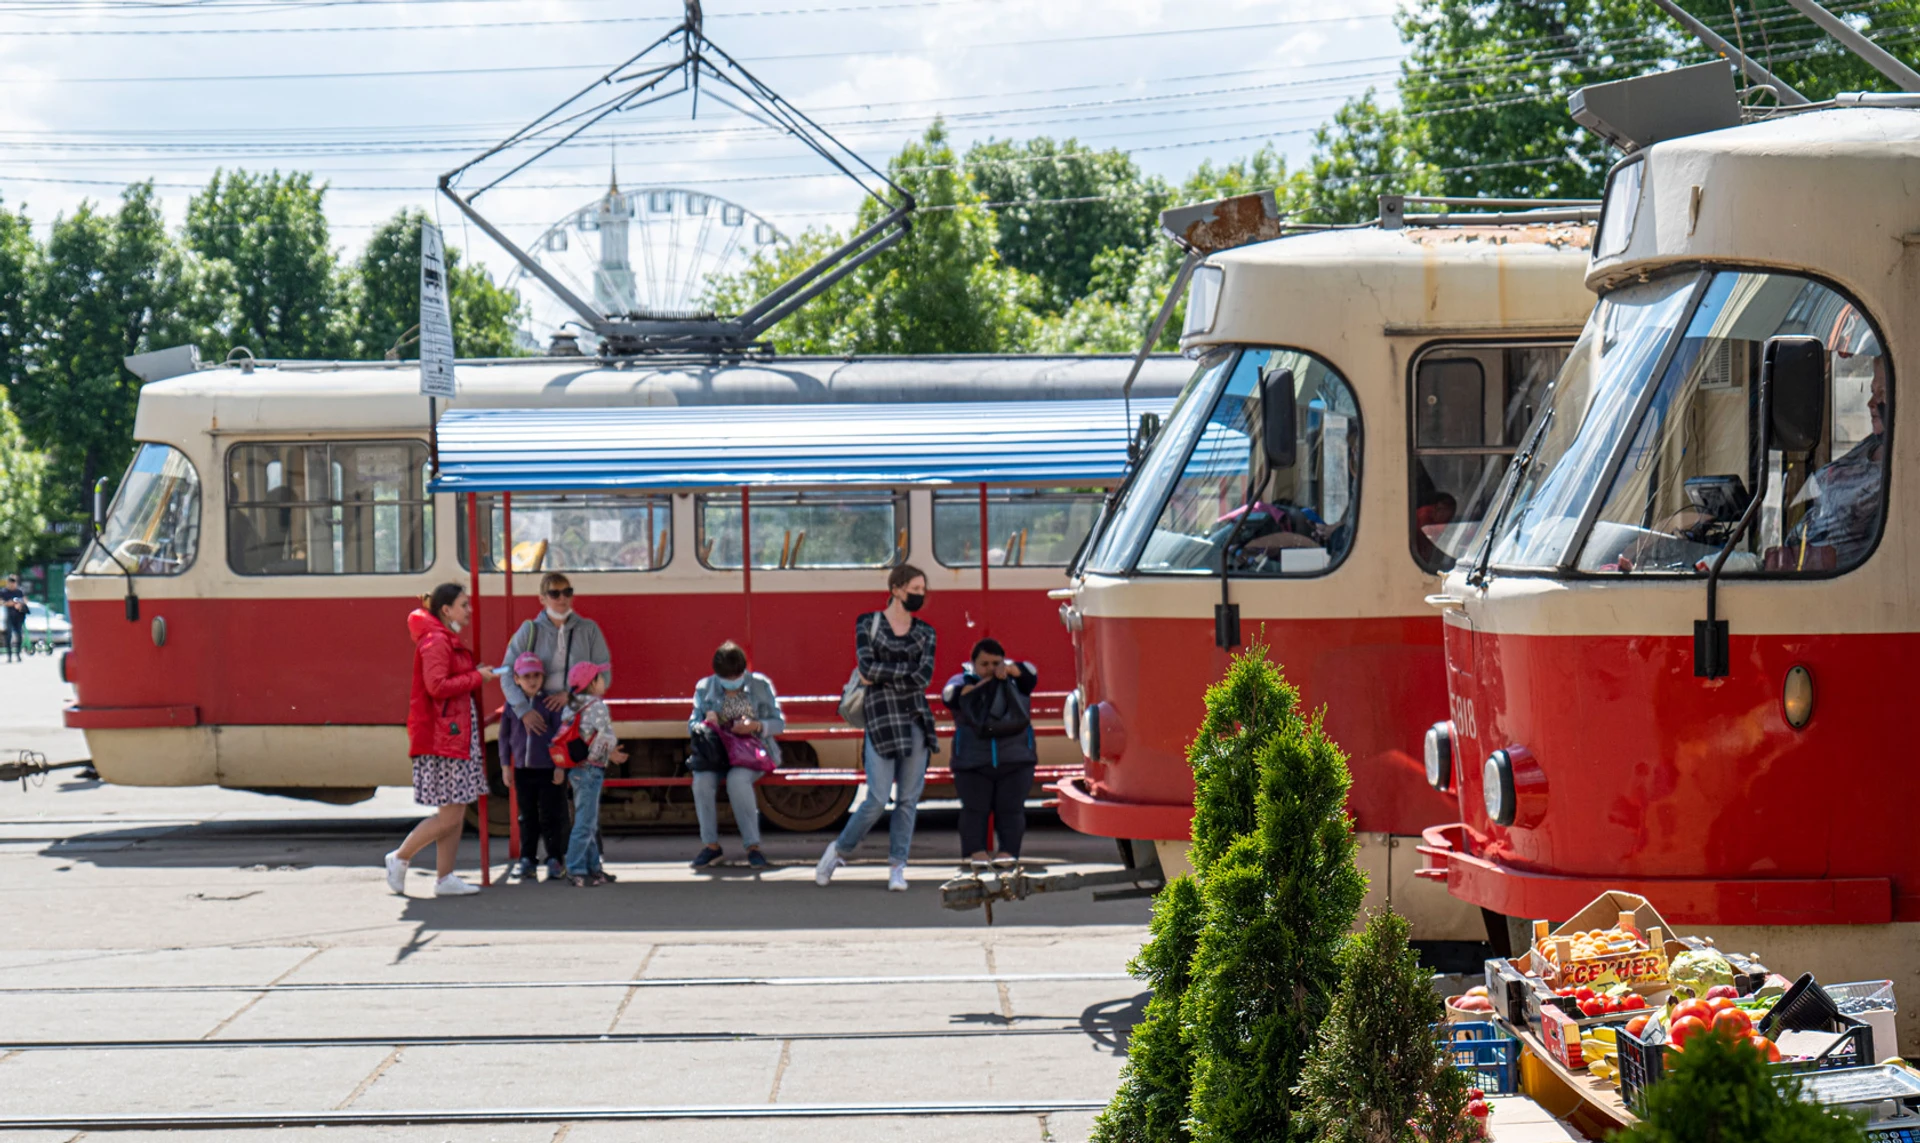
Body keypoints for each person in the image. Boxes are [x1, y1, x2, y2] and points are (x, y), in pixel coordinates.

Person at [816, 564, 937, 892]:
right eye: (915, 589)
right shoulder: (867, 624)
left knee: (908, 800)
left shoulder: (926, 631)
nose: (920, 595)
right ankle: (838, 851)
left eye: (923, 590)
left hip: (915, 719)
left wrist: (885, 674)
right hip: (880, 718)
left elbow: (922, 677)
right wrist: (903, 671)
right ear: (896, 589)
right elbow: (865, 669)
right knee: (876, 798)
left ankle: (898, 866)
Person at [386, 583, 488, 898]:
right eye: (464, 605)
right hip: (445, 739)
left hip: (452, 736)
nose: (469, 610)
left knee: (454, 813)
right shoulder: (436, 641)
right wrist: (478, 677)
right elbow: (437, 686)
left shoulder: (440, 639)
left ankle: (445, 878)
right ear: (446, 610)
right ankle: (400, 856)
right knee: (450, 815)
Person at [686, 640, 785, 870]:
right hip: (717, 754)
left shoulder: (760, 685)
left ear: (744, 671)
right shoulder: (705, 687)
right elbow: (692, 724)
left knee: (737, 781)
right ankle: (711, 846)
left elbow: (779, 723)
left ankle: (753, 847)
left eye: (736, 677)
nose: (731, 682)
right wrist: (704, 722)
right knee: (701, 782)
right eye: (726, 678)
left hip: (753, 754)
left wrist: (756, 726)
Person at [941, 638, 1038, 870]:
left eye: (996, 663)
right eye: (984, 664)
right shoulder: (961, 681)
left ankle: (1008, 852)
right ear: (972, 663)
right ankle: (977, 853)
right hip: (973, 762)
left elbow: (1031, 675)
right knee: (974, 810)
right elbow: (950, 696)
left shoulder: (1016, 678)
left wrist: (1010, 671)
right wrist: (985, 685)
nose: (990, 669)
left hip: (1016, 760)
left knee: (1011, 810)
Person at [500, 573, 613, 742]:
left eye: (567, 592)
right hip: (539, 715)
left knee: (577, 766)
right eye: (555, 594)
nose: (562, 598)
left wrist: (573, 697)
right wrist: (523, 710)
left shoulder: (588, 629)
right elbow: (506, 672)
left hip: (578, 714)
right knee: (542, 767)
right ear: (542, 599)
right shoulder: (530, 630)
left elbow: (604, 676)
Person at [496, 652, 569, 882]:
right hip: (523, 770)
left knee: (551, 815)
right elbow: (504, 737)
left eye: (536, 675)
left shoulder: (550, 704)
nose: (532, 680)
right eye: (526, 676)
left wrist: (560, 766)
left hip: (548, 770)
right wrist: (505, 765)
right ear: (516, 679)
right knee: (526, 816)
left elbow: (560, 736)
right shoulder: (512, 707)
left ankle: (554, 858)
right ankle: (527, 858)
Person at [559, 660, 625, 887]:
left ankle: (594, 868)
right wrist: (609, 755)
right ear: (591, 683)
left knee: (588, 820)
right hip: (590, 769)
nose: (603, 681)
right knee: (586, 823)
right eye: (599, 677)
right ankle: (576, 868)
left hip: (575, 768)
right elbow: (606, 738)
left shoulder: (571, 705)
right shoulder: (597, 706)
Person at [1, 575, 25, 663]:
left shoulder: (19, 591)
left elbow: (25, 600)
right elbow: (1, 601)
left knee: (19, 635)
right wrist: (7, 603)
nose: (12, 584)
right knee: (8, 635)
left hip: (19, 615)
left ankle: (18, 654)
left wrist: (20, 604)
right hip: (9, 615)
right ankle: (9, 655)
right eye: (10, 582)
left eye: (14, 582)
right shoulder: (4, 591)